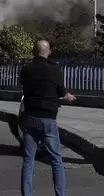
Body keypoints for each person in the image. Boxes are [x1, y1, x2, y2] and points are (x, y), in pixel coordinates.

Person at [19, 40, 75, 196]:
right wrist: (66, 96)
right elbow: (61, 91)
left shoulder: (26, 69)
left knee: (28, 160)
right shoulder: (54, 69)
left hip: (30, 118)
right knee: (56, 160)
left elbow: (24, 85)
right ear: (49, 52)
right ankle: (60, 194)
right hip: (48, 119)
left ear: (33, 51)